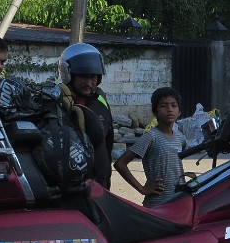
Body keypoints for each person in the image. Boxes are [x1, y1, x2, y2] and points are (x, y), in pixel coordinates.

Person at [114, 87, 187, 207]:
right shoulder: (151, 137)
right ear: (155, 111)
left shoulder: (181, 138)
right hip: (156, 203)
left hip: (178, 201)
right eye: (164, 106)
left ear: (179, 111)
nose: (169, 109)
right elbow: (120, 164)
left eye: (174, 105)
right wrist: (142, 189)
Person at [58, 43, 115, 189]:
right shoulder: (57, 104)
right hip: (72, 190)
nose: (89, 83)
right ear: (68, 74)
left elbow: (108, 144)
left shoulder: (101, 101)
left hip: (101, 188)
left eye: (93, 77)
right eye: (83, 77)